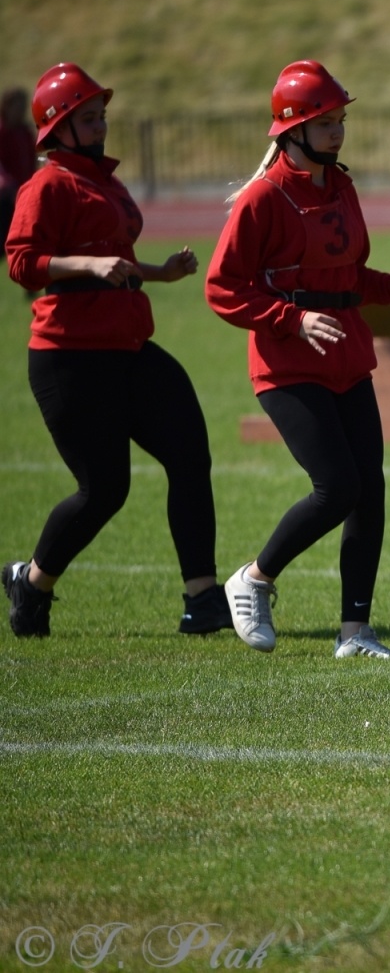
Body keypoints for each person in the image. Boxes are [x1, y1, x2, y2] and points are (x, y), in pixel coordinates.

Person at [206, 60, 390, 659]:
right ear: (291, 129)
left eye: (341, 120)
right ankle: (253, 578)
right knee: (337, 488)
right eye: (324, 122)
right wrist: (293, 319)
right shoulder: (262, 199)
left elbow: (346, 275)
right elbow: (222, 289)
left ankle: (356, 633)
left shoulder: (342, 186)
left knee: (370, 491)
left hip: (347, 355)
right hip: (285, 365)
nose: (337, 132)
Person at [3, 63, 227, 639]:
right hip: (69, 356)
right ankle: (31, 582)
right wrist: (90, 264)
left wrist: (159, 272)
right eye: (88, 117)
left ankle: (202, 599)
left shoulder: (105, 181)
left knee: (189, 453)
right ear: (58, 127)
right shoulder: (46, 184)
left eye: (102, 115)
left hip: (129, 346)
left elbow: (113, 262)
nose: (102, 125)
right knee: (105, 490)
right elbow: (22, 263)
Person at [2, 86, 37, 252]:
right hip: (5, 194)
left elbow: (32, 160)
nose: (22, 110)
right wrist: (7, 184)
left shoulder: (25, 132)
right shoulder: (2, 131)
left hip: (23, 190)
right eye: (18, 106)